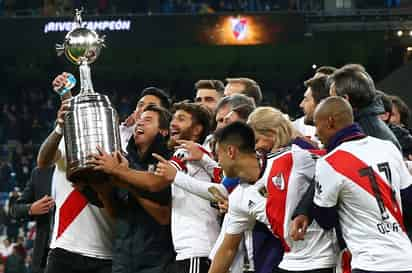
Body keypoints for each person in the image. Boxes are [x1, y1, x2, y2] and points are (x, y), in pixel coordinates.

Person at [92, 102, 220, 273]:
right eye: (173, 119)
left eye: (181, 119)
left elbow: (156, 183)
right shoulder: (193, 154)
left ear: (197, 130)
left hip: (195, 248)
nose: (173, 123)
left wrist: (118, 171)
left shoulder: (188, 151)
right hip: (186, 250)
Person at [208, 121, 337, 273]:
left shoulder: (292, 158)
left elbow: (334, 165)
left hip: (323, 260)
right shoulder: (238, 198)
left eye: (218, 155)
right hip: (288, 261)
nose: (218, 163)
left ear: (231, 152)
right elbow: (228, 249)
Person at [312, 96, 412, 272]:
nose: (315, 132)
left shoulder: (329, 163)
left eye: (316, 124)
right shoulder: (388, 147)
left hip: (370, 262)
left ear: (330, 122)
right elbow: (408, 200)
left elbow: (325, 220)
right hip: (405, 258)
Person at [37, 74, 114, 273]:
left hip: (107, 251)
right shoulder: (67, 140)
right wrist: (60, 126)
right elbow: (43, 161)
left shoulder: (117, 142)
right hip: (65, 247)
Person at [328, 64, 401, 149]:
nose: (328, 104)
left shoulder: (362, 136)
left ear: (345, 99)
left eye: (332, 98)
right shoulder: (367, 126)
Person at [9, 166, 55, 273]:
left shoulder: (81, 169)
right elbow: (15, 209)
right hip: (44, 254)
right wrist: (31, 208)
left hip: (78, 252)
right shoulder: (40, 172)